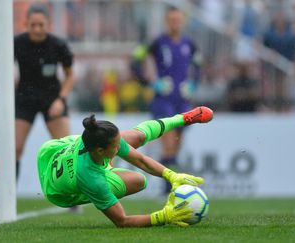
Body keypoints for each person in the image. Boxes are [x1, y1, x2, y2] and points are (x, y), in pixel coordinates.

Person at [37, 106, 213, 227]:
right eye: (115, 146)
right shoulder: (91, 180)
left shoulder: (95, 136)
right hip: (57, 191)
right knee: (138, 181)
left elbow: (141, 160)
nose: (119, 145)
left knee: (136, 137)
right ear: (100, 150)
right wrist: (163, 217)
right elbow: (122, 221)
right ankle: (106, 167)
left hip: (50, 153)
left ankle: (181, 118)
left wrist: (172, 175)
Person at [131, 6, 201, 193]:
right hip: (163, 101)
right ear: (166, 21)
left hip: (182, 101)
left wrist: (193, 84)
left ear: (183, 21)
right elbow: (135, 61)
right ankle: (168, 190)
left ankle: (171, 186)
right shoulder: (157, 42)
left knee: (176, 146)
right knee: (169, 144)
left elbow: (199, 65)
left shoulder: (189, 43)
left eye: (177, 20)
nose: (174, 23)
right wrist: (151, 83)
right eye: (171, 20)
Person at [14, 4, 74, 179]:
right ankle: (8, 197)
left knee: (65, 149)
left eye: (41, 25)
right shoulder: (17, 43)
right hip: (25, 98)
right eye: (33, 25)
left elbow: (70, 76)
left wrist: (60, 100)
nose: (37, 29)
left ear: (49, 24)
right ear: (26, 24)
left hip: (52, 98)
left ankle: (71, 196)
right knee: (15, 148)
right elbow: (4, 71)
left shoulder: (58, 45)